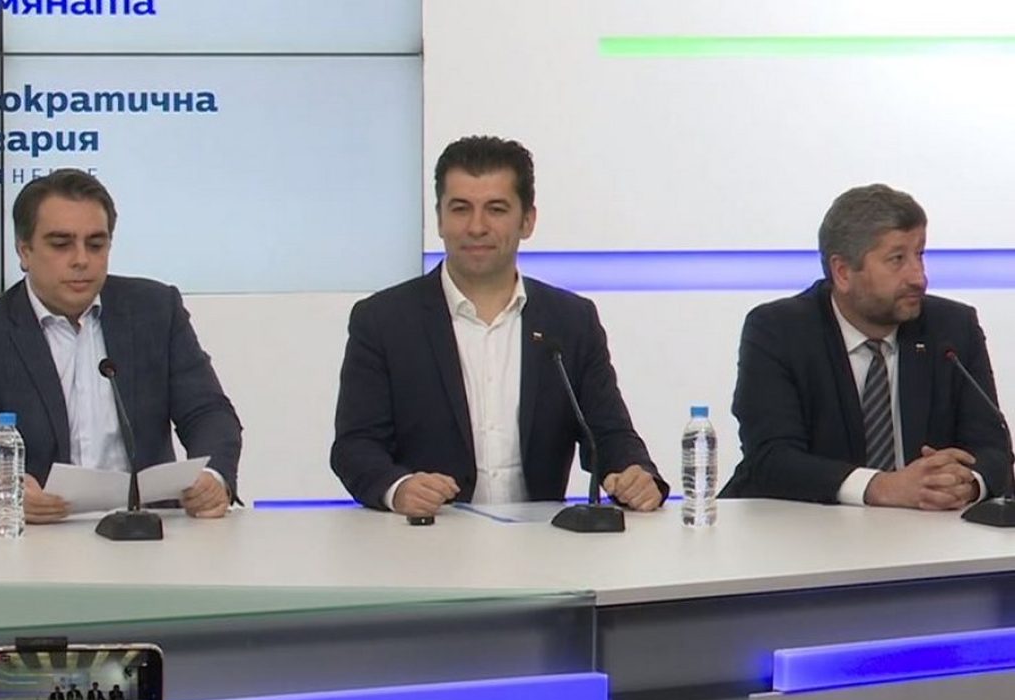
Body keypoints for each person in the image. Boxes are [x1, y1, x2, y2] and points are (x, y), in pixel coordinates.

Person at [331, 136, 667, 516]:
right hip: (426, 538)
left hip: (540, 543)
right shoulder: (383, 320)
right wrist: (398, 488)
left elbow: (608, 435)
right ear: (439, 219)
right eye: (461, 209)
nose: (477, 227)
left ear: (528, 221)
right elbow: (355, 446)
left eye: (496, 209)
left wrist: (636, 476)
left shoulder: (571, 321)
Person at [0, 169, 242, 522]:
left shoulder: (155, 311)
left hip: (147, 532)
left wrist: (213, 478)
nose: (81, 259)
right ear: (24, 251)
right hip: (38, 535)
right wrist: (1, 492)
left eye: (96, 245)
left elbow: (207, 412)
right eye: (61, 244)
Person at [723, 184, 1011, 508]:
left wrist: (965, 485)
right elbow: (770, 458)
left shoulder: (952, 328)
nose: (919, 277)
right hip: (805, 529)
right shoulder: (779, 331)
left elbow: (994, 446)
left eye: (919, 254)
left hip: (926, 531)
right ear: (843, 272)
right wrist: (881, 486)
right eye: (897, 259)